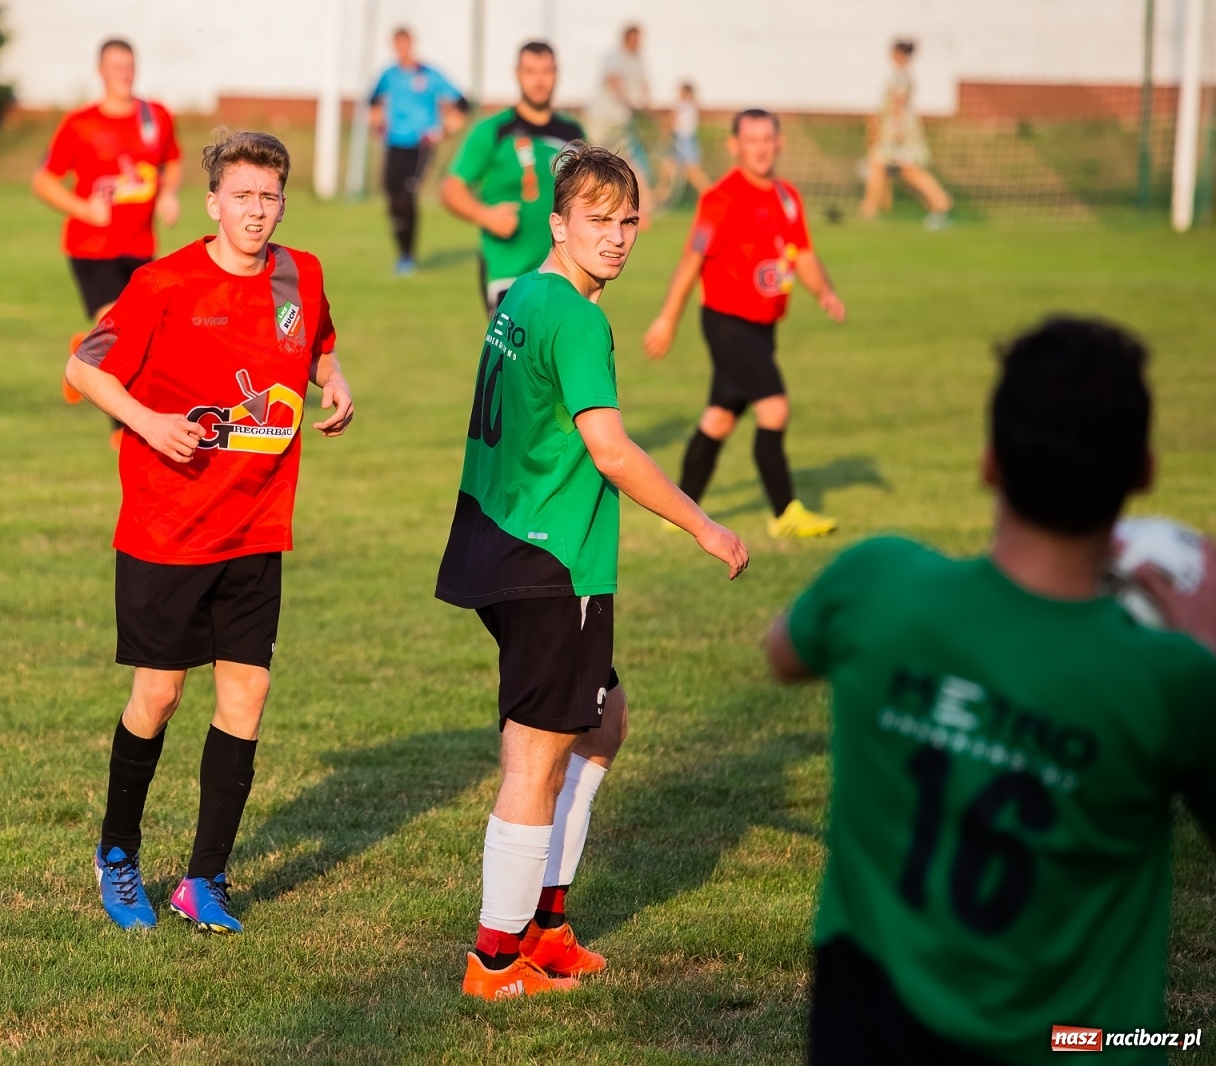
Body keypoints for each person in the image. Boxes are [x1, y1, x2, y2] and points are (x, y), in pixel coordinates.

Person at [765, 316, 1216, 1065]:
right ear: (1142, 472)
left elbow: (784, 654)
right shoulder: (1172, 682)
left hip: (865, 1030)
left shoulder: (874, 584)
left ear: (988, 463)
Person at [435, 144, 748, 999]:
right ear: (559, 223)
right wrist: (703, 524)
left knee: (602, 723)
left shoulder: (522, 296)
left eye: (627, 221)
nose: (615, 238)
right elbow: (608, 450)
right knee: (536, 759)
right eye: (598, 221)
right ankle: (495, 959)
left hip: (499, 539)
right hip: (550, 557)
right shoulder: (575, 315)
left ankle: (547, 923)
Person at [63, 130, 354, 935]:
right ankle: (118, 855)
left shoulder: (302, 273)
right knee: (158, 695)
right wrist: (149, 423)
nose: (256, 213)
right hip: (167, 527)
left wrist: (335, 382)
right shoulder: (163, 283)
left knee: (249, 692)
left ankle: (204, 879)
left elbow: (317, 344)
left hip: (257, 524)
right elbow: (85, 368)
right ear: (213, 203)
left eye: (270, 198)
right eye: (243, 198)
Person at [642, 109, 846, 539]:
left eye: (768, 139)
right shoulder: (720, 199)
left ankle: (676, 507)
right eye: (752, 140)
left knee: (719, 417)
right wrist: (667, 318)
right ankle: (785, 513)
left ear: (780, 143)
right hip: (726, 322)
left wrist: (824, 291)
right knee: (774, 407)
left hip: (762, 327)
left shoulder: (787, 196)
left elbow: (803, 253)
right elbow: (691, 260)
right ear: (735, 146)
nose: (761, 147)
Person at [34, 38, 182, 450]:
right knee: (122, 330)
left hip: (140, 246)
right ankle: (120, 429)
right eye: (116, 65)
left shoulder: (156, 117)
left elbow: (172, 162)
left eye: (129, 65)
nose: (124, 73)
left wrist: (169, 194)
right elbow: (43, 180)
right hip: (91, 246)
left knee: (138, 334)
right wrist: (83, 209)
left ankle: (83, 353)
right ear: (100, 71)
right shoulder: (81, 123)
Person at [441, 41, 584, 317]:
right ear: (517, 74)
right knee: (519, 358)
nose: (539, 80)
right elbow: (450, 187)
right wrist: (485, 215)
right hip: (509, 272)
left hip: (565, 271)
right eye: (530, 71)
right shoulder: (494, 131)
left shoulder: (572, 132)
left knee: (558, 357)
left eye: (546, 71)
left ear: (557, 73)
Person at [368, 28, 467, 275]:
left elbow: (462, 101)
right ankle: (402, 252)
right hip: (394, 142)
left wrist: (444, 130)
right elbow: (373, 101)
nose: (402, 49)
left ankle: (408, 256)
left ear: (412, 44)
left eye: (406, 44)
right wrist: (378, 123)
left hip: (420, 144)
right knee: (393, 196)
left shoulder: (429, 74)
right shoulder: (389, 75)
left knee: (407, 195)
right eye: (398, 44)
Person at [858, 39, 953, 230]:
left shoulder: (900, 77)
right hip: (897, 128)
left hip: (898, 131)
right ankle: (870, 209)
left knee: (906, 169)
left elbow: (898, 105)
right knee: (885, 166)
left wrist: (894, 132)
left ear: (900, 54)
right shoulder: (902, 75)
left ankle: (940, 200)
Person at [582, 24, 654, 228]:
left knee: (632, 164)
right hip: (602, 119)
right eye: (636, 39)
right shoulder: (615, 56)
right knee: (594, 162)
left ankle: (642, 210)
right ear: (627, 38)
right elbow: (613, 80)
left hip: (622, 122)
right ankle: (591, 207)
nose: (640, 43)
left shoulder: (638, 59)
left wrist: (645, 102)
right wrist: (629, 101)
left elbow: (644, 84)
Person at [655, 82, 710, 207]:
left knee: (691, 171)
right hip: (686, 139)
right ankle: (660, 197)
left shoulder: (682, 105)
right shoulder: (691, 106)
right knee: (668, 168)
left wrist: (664, 133)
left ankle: (710, 194)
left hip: (682, 140)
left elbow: (671, 121)